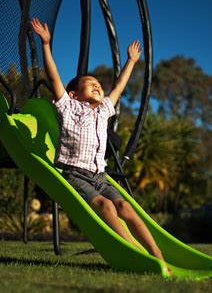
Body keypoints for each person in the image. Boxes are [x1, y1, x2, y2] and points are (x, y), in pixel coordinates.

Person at [31, 18, 166, 264]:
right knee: (105, 206)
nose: (96, 85)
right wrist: (46, 46)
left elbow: (118, 88)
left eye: (98, 84)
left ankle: (157, 253)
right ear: (73, 94)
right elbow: (53, 80)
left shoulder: (103, 109)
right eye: (89, 84)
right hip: (75, 174)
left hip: (100, 177)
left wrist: (131, 62)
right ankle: (134, 251)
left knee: (125, 206)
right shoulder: (68, 107)